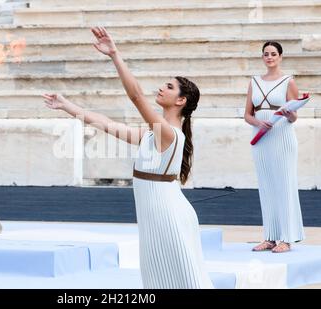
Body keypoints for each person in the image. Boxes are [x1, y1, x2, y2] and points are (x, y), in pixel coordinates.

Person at [43, 27, 213, 288]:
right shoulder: (153, 134)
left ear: (181, 100)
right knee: (158, 279)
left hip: (170, 217)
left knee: (184, 280)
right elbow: (104, 122)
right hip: (153, 217)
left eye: (169, 87)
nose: (161, 88)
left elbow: (135, 96)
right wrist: (67, 106)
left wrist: (114, 54)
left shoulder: (169, 133)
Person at [244, 42, 305, 253]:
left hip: (282, 137)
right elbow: (247, 115)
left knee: (285, 185)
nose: (269, 57)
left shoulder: (289, 81)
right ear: (263, 57)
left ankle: (286, 239)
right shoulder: (254, 81)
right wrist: (258, 123)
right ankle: (270, 237)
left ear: (280, 56)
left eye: (273, 54)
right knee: (266, 187)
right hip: (261, 139)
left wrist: (290, 115)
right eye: (266, 54)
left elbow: (295, 115)